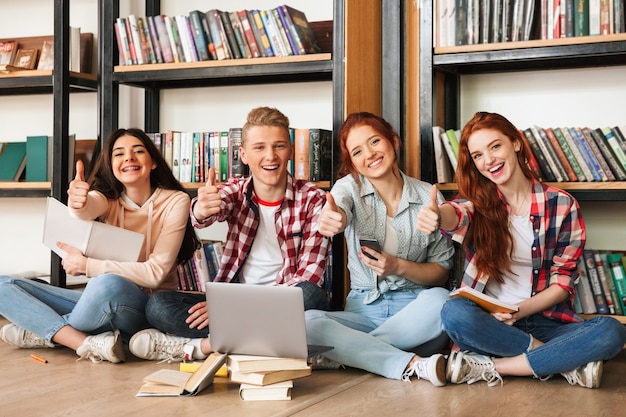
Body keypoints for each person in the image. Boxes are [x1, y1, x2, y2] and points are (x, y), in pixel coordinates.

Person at [416, 111, 626, 388]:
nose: (488, 160)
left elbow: (562, 284)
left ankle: (492, 367)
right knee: (453, 311)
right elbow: (456, 214)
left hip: (546, 321)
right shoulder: (477, 205)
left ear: (515, 143)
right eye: (478, 155)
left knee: (611, 331)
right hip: (489, 322)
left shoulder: (562, 205)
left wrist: (517, 311)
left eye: (495, 146)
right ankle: (562, 364)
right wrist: (438, 216)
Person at [129, 106, 332, 362]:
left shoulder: (313, 199)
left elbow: (309, 276)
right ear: (243, 155)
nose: (270, 156)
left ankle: (205, 347)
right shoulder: (235, 190)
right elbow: (209, 209)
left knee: (312, 296)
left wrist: (237, 311)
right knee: (158, 305)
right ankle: (267, 344)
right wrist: (201, 208)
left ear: (290, 150)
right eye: (259, 147)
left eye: (279, 146)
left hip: (283, 304)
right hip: (238, 302)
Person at [0, 128, 199, 363]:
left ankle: (43, 331)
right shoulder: (107, 198)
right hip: (99, 302)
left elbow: (155, 274)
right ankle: (84, 342)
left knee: (107, 283)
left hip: (144, 307)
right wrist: (77, 202)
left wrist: (87, 265)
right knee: (3, 284)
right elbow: (88, 207)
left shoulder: (176, 200)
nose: (128, 158)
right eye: (119, 154)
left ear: (153, 162)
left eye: (138, 151)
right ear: (110, 165)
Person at [304, 112, 455, 385]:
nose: (369, 154)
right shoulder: (348, 187)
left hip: (415, 316)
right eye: (357, 151)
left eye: (375, 141)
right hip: (363, 310)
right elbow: (339, 208)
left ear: (393, 141)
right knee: (308, 322)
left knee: (443, 302)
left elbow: (441, 271)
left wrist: (398, 266)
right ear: (352, 162)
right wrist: (333, 217)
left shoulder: (426, 196)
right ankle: (409, 363)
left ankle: (352, 354)